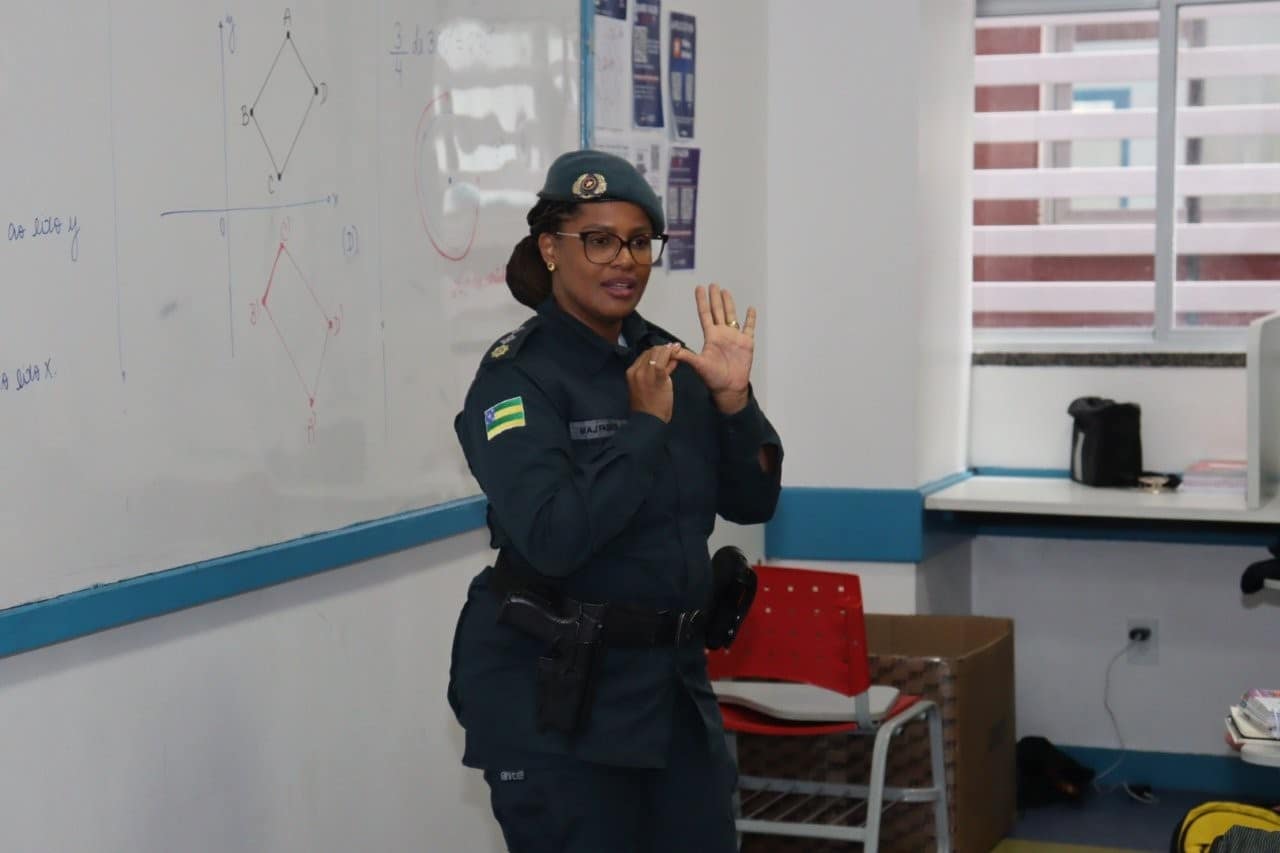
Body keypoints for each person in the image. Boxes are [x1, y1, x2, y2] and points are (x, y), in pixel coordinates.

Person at [447, 149, 782, 853]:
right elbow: (553, 536)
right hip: (561, 704)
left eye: (638, 241)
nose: (623, 260)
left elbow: (754, 500)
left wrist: (733, 400)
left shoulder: (668, 360)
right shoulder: (517, 380)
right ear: (551, 247)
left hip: (671, 695)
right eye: (598, 240)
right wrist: (643, 427)